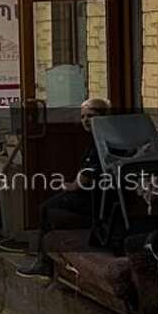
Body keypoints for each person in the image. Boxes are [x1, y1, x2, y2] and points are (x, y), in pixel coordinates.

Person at [17, 96, 110, 278]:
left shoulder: (101, 141)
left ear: (103, 117)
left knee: (45, 209)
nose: (85, 121)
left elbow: (87, 177)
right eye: (83, 117)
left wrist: (72, 185)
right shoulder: (97, 138)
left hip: (96, 198)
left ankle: (44, 263)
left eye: (90, 116)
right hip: (95, 194)